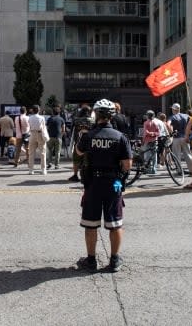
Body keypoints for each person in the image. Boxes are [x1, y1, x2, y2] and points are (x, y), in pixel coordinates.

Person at [75, 99, 132, 273]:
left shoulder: (88, 136)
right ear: (111, 116)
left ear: (96, 115)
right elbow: (127, 164)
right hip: (113, 183)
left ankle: (91, 260)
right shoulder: (120, 137)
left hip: (93, 183)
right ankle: (114, 260)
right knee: (115, 223)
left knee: (90, 223)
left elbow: (78, 152)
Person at [68, 105, 94, 182]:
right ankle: (86, 176)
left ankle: (75, 175)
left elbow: (71, 130)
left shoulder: (76, 120)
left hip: (78, 142)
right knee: (87, 160)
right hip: (89, 143)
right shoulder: (92, 120)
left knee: (76, 160)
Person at [168, 103, 192, 172]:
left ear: (173, 109)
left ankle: (179, 170)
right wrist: (190, 132)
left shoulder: (172, 117)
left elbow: (168, 124)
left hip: (176, 138)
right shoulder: (186, 115)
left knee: (177, 155)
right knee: (188, 154)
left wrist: (171, 133)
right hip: (185, 137)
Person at [27, 104, 47, 175]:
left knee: (31, 153)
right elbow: (44, 127)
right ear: (39, 110)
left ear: (32, 110)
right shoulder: (42, 118)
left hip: (32, 134)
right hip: (40, 134)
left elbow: (29, 126)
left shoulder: (30, 118)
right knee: (43, 152)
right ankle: (43, 169)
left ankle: (31, 170)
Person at [142, 110, 161, 174]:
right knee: (154, 155)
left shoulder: (146, 123)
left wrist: (149, 135)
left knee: (147, 155)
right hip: (154, 140)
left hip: (147, 140)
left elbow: (146, 133)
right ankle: (154, 169)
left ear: (147, 116)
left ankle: (148, 168)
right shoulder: (156, 123)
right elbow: (158, 132)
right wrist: (154, 134)